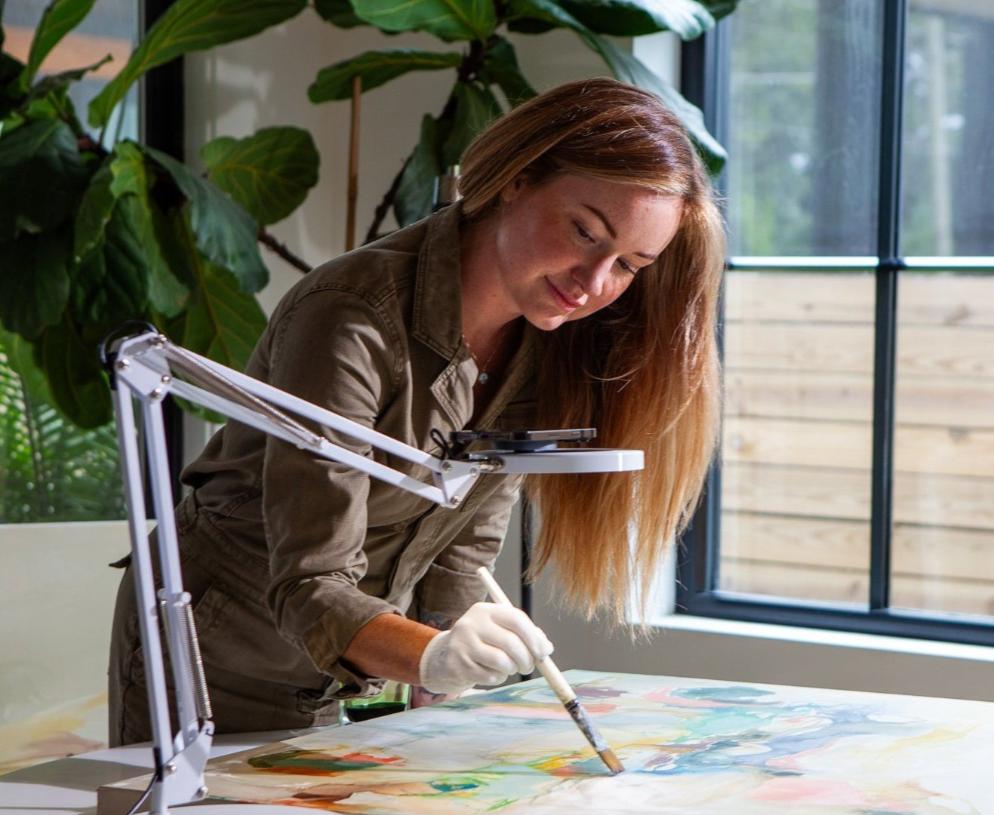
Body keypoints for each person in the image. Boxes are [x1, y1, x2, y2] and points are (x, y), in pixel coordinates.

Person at [107, 77, 725, 746]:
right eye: (584, 232)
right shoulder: (350, 316)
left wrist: (443, 686)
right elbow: (310, 582)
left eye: (630, 265)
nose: (593, 283)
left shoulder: (544, 344)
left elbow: (465, 542)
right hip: (220, 655)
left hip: (353, 668)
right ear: (517, 178)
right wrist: (429, 654)